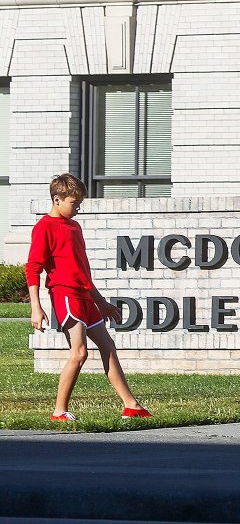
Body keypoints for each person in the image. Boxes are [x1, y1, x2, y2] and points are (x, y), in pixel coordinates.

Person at [27, 174, 152, 421]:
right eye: (74, 203)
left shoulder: (74, 226)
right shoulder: (44, 227)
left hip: (85, 297)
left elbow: (82, 271)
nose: (78, 208)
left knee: (108, 346)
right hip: (65, 296)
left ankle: (131, 405)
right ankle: (59, 411)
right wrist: (36, 307)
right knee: (80, 352)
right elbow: (33, 267)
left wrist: (100, 301)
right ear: (57, 199)